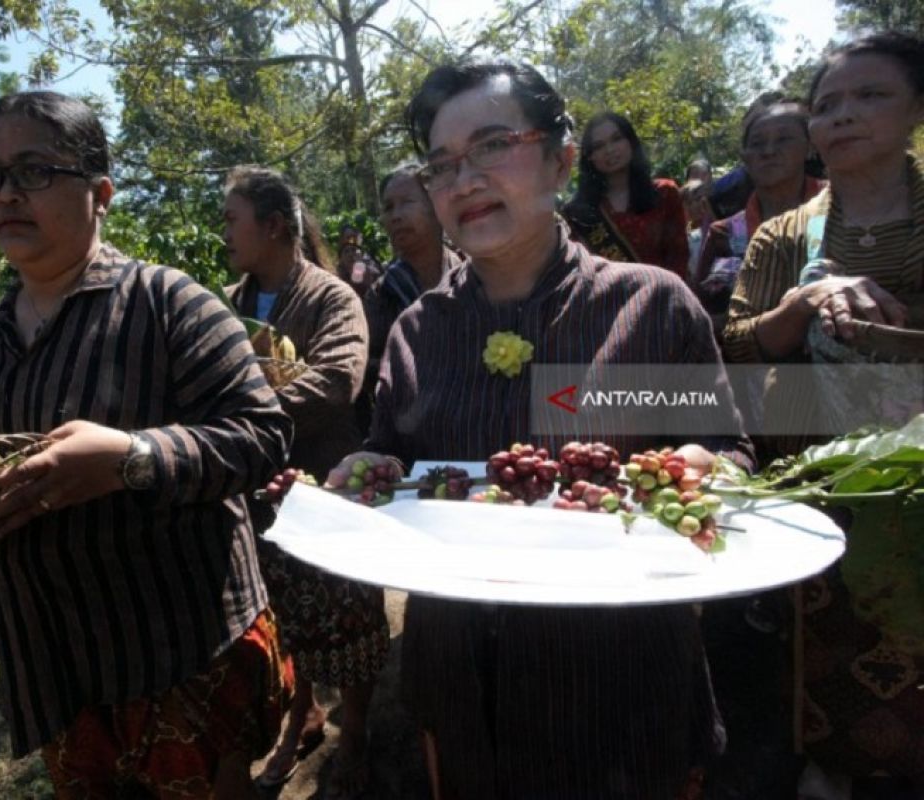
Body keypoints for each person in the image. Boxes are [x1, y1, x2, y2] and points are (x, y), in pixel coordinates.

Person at [328, 61, 752, 799]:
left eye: (493, 145)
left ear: (560, 159)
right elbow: (392, 450)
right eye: (441, 165)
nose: (463, 181)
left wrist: (705, 465)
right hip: (461, 690)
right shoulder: (418, 332)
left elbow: (725, 447)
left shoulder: (648, 310)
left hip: (619, 691)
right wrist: (365, 470)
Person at [0, 91, 294, 799]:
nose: (7, 192)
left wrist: (133, 459)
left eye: (35, 170)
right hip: (52, 661)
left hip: (179, 650)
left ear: (100, 193)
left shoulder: (170, 304)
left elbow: (263, 435)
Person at [722, 32, 924, 795]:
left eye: (870, 97)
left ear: (916, 109)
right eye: (828, 104)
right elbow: (738, 346)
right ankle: (829, 768)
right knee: (826, 655)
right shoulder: (784, 235)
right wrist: (804, 300)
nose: (842, 117)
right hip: (824, 479)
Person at [222, 166, 388, 797]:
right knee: (283, 616)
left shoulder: (331, 298)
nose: (224, 234)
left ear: (272, 227)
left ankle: (360, 730)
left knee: (348, 617)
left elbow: (338, 380)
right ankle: (302, 720)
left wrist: (239, 413)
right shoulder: (229, 303)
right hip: (260, 492)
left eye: (232, 220)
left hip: (324, 480)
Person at [698, 96, 826, 323]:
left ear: (810, 147)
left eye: (784, 139)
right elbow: (699, 315)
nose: (768, 151)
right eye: (757, 143)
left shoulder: (843, 207)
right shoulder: (724, 234)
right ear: (744, 157)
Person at [362, 164, 465, 414]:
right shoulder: (382, 294)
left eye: (407, 202)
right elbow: (366, 367)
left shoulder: (472, 277)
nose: (396, 215)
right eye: (388, 208)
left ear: (437, 206)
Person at [563, 111, 690, 280]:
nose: (609, 150)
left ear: (631, 141)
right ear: (590, 157)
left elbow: (679, 258)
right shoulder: (578, 213)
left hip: (663, 299)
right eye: (599, 146)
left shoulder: (665, 194)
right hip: (608, 303)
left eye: (616, 139)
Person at [335, 226, 381, 296]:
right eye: (347, 252)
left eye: (353, 250)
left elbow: (360, 284)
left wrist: (359, 264)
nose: (350, 254)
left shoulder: (368, 262)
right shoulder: (337, 271)